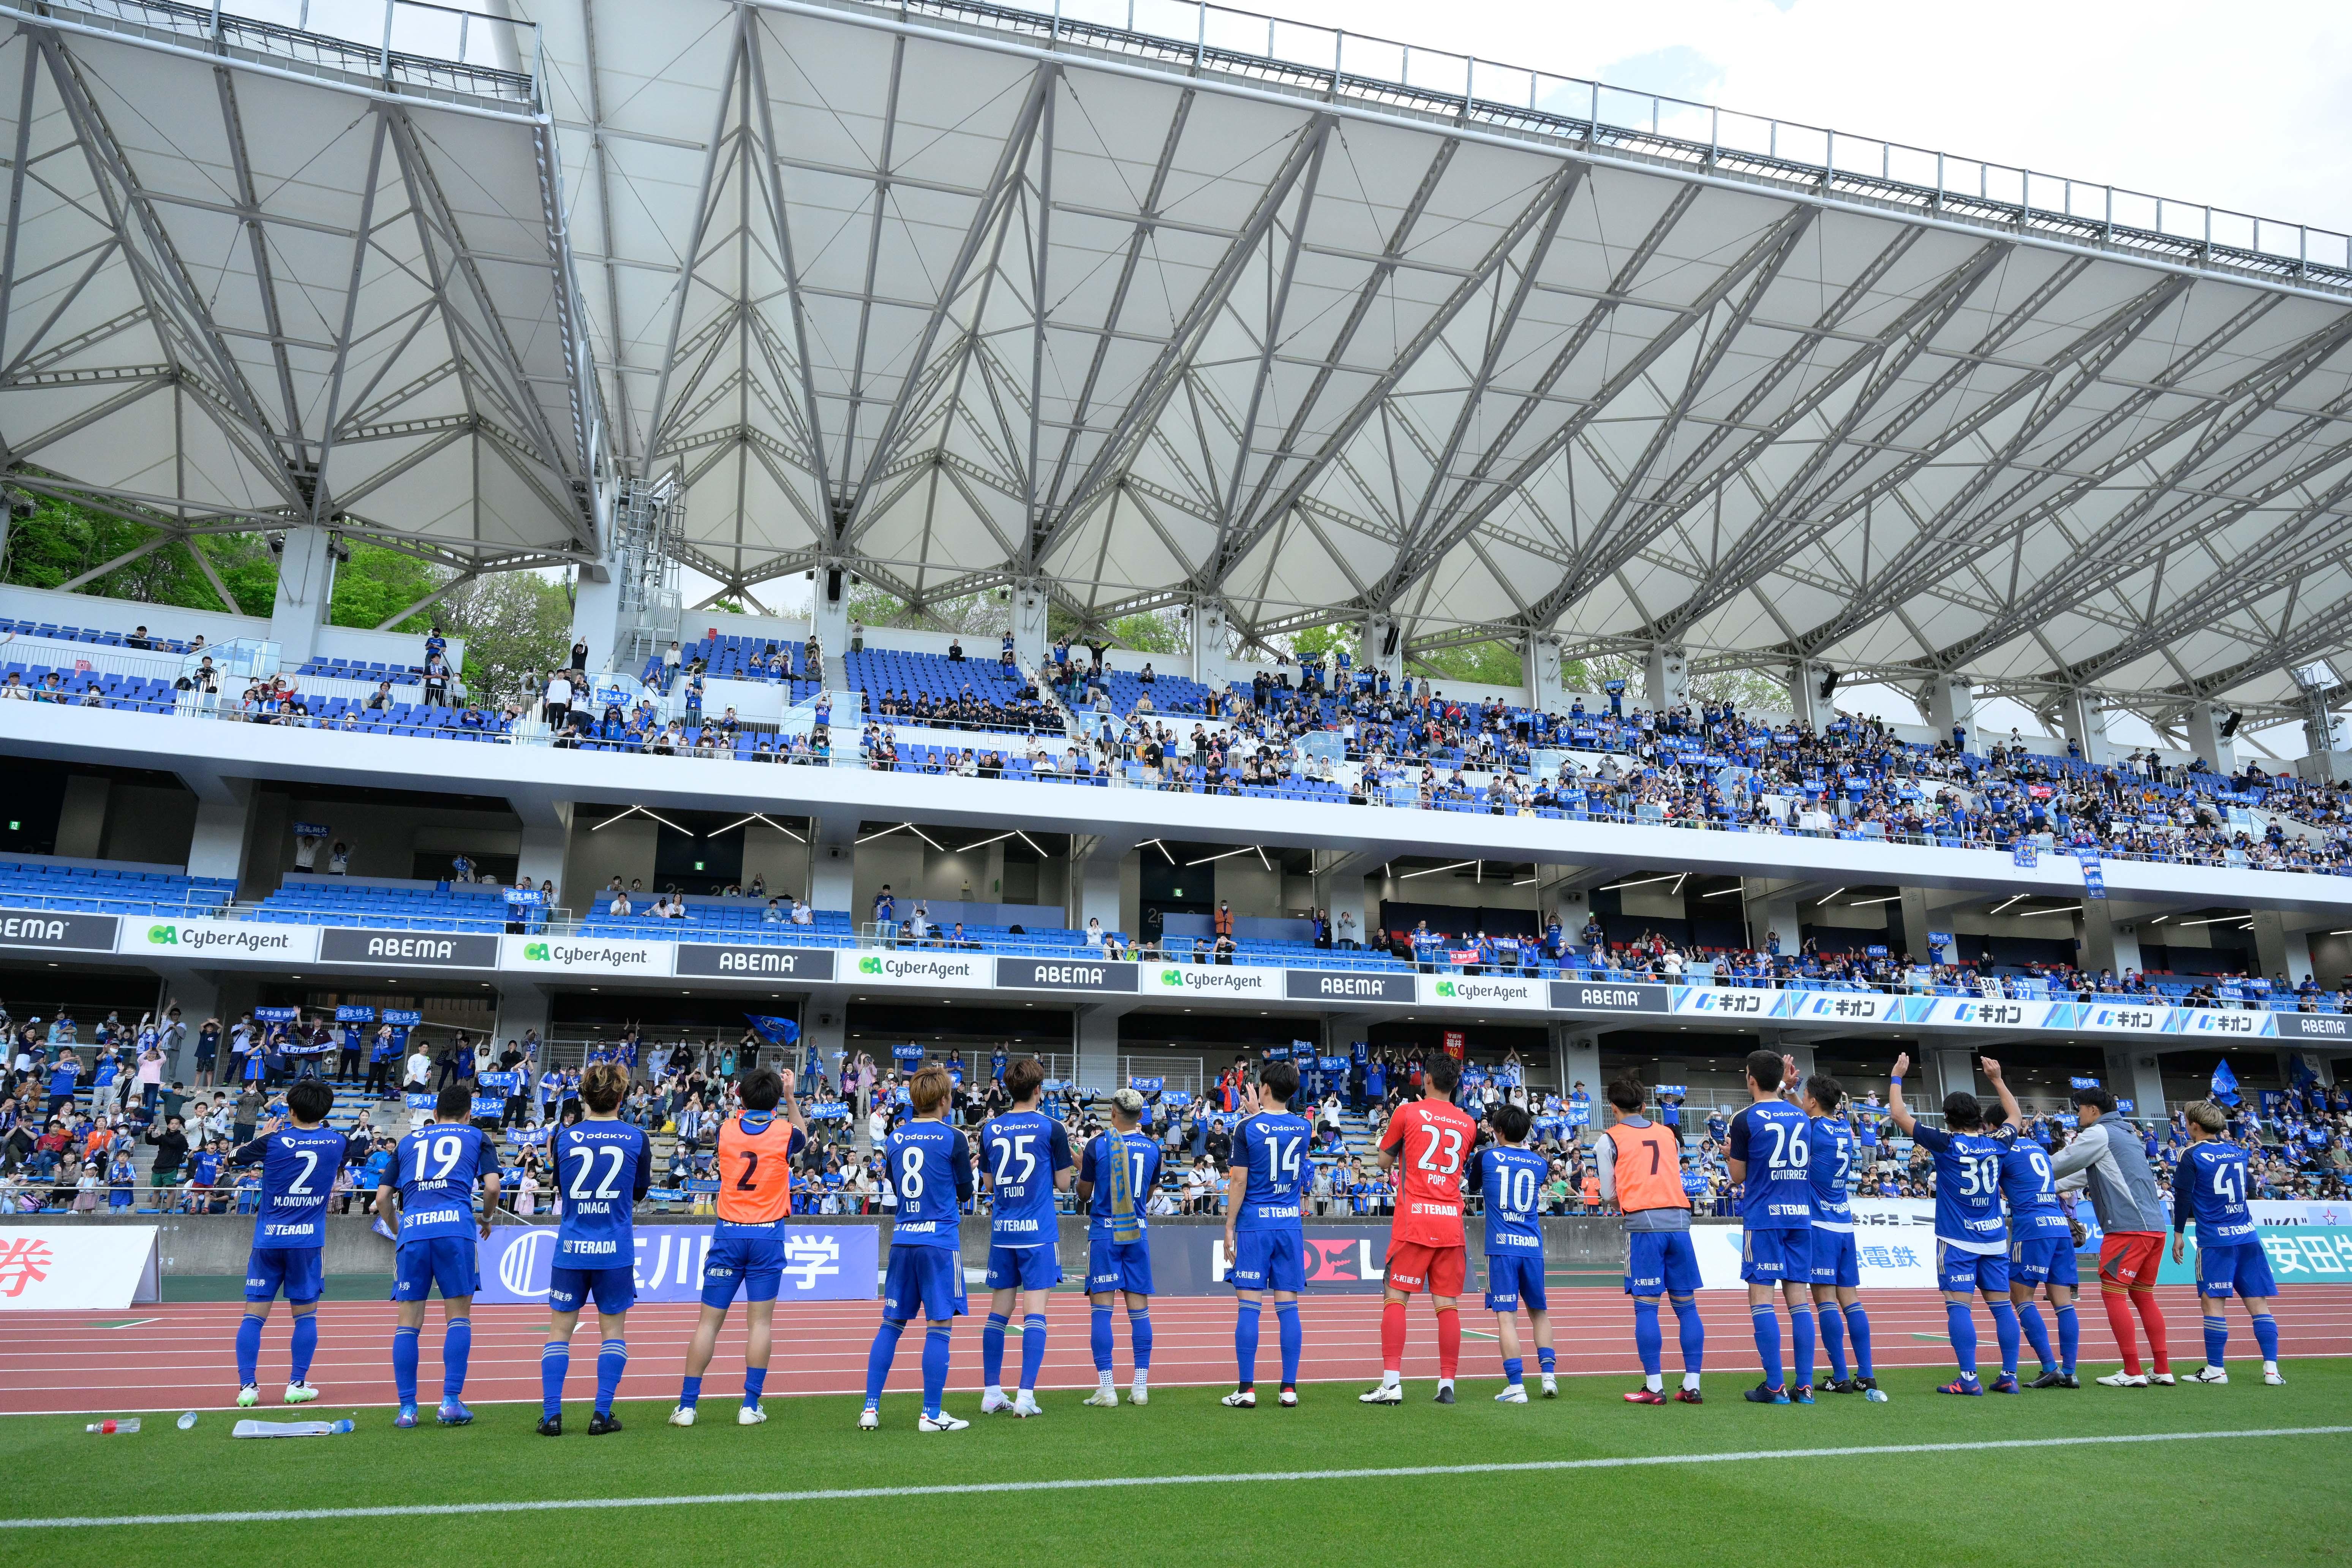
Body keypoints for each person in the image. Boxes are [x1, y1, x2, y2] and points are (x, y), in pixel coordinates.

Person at [673, 1066, 806, 1427]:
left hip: (729, 1233)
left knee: (708, 1324)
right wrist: (790, 1098)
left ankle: (687, 1407)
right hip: (767, 1234)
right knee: (760, 1324)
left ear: (741, 1099)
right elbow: (804, 1136)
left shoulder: (725, 1130)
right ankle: (749, 1406)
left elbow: (741, 1122)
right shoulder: (783, 1133)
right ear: (776, 1100)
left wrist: (751, 1102)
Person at [1888, 1053, 2021, 1395]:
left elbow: (1899, 1115)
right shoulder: (1997, 1143)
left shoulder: (1946, 1144)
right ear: (1979, 1117)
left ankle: (1969, 1379)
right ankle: (2009, 1375)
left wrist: (1897, 1077)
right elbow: (2016, 1116)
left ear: (1947, 1119)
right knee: (2002, 1307)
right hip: (1993, 1238)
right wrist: (1996, 1079)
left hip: (1958, 1240)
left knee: (1959, 1305)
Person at [375, 1083, 499, 1428]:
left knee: (408, 1324)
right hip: (455, 1231)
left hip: (414, 1233)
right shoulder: (476, 1137)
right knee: (458, 1318)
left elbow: (383, 1198)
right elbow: (492, 1187)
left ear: (434, 1114)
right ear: (469, 1114)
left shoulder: (409, 1142)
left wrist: (401, 1230)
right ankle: (450, 1402)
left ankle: (407, 1410)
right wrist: (487, 1219)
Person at [225, 1079, 354, 1408]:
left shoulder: (273, 1141)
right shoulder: (338, 1142)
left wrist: (262, 1136)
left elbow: (230, 1159)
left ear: (291, 1110)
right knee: (306, 1318)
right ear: (325, 1110)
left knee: (253, 1317)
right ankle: (296, 1383)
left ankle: (247, 1387)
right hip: (308, 1242)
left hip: (268, 1240)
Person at [539, 1062, 652, 1437]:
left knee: (559, 1331)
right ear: (621, 1097)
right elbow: (639, 1192)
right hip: (614, 1250)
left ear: (584, 1096)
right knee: (613, 1333)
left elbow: (561, 1188)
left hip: (571, 1247)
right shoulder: (637, 1138)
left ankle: (552, 1416)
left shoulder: (566, 1138)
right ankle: (601, 1415)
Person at [861, 1064, 973, 1431]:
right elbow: (965, 1192)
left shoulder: (895, 1138)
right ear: (945, 1099)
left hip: (903, 1239)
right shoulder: (954, 1137)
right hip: (939, 1242)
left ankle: (871, 1409)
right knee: (939, 1327)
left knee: (891, 1324)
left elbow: (895, 1183)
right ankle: (931, 1413)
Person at [1360, 1052, 1474, 1405]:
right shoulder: (1469, 1124)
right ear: (1456, 1084)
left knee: (1396, 1298)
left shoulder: (1406, 1112)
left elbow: (1383, 1161)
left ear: (1426, 1079)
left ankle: (1392, 1383)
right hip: (1451, 1222)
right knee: (1448, 1306)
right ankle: (1447, 1385)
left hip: (1414, 1221)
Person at [2049, 1084, 2175, 1386]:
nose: (2076, 1115)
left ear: (2093, 1111)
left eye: (2079, 1109)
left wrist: (2025, 1172)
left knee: (2113, 1293)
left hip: (2127, 1226)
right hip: (2155, 1226)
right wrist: (2048, 1185)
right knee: (2144, 1295)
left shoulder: (2098, 1133)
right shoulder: (2127, 1134)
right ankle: (2162, 1368)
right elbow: (2088, 1173)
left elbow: (2063, 1162)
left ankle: (2133, 1371)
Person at [1597, 1076, 1704, 1404]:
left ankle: (1655, 1387)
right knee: (1687, 1308)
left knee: (1646, 1308)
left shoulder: (1608, 1140)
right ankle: (1692, 1385)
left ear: (1612, 1108)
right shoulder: (1669, 1135)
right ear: (1645, 1106)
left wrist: (1623, 1202)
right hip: (1681, 1223)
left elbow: (1607, 1194)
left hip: (1644, 1226)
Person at [978, 1057, 1074, 1418]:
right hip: (1038, 1233)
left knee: (997, 1316)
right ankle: (1026, 1395)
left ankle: (991, 1393)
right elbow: (1065, 1184)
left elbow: (988, 1184)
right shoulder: (1053, 1128)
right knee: (1035, 1315)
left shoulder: (990, 1128)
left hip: (1003, 1232)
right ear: (1039, 1090)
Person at [2173, 1100, 2284, 1385]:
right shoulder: (2238, 1152)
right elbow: (2246, 1188)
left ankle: (2216, 1370)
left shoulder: (2190, 1154)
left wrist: (2178, 1235)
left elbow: (2183, 1197)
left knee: (2213, 1305)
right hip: (2247, 1236)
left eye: (2186, 1122)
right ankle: (2272, 1370)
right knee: (2259, 1305)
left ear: (2194, 1126)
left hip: (2215, 1240)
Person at [1725, 1048, 1814, 1404]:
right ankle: (1805, 1387)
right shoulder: (1801, 1117)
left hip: (1764, 1217)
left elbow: (1738, 1175)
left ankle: (1775, 1385)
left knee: (1762, 1298)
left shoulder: (1744, 1119)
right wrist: (1790, 1087)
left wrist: (1728, 1154)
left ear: (1750, 1078)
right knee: (1799, 1302)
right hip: (1800, 1216)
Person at [1220, 1059, 1309, 1408]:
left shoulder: (1246, 1127)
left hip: (1255, 1224)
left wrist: (1228, 1226)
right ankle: (1289, 1388)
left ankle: (1247, 1389)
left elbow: (1239, 1179)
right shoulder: (1303, 1127)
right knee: (1288, 1307)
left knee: (1249, 1305)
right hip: (1289, 1224)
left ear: (1265, 1089)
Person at [1797, 1066, 1884, 1400]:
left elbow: (1796, 1121)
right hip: (1845, 1223)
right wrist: (1795, 1095)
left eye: (1805, 1097)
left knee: (1825, 1301)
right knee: (1852, 1300)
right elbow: (1809, 1114)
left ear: (1814, 1101)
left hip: (1820, 1225)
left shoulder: (1811, 1130)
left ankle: (1841, 1376)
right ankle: (1867, 1375)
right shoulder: (1844, 1128)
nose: (1801, 1101)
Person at [1075, 1087, 1161, 1407]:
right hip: (1137, 1232)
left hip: (1105, 1233)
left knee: (1102, 1313)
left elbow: (1084, 1194)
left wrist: (1083, 1168)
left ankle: (1108, 1388)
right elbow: (1148, 1195)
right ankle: (1140, 1386)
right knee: (1139, 1313)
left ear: (1113, 1113)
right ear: (1141, 1117)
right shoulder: (1153, 1148)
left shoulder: (1099, 1145)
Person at [1466, 1100, 1555, 1403]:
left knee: (1507, 1319)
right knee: (1539, 1313)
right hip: (1532, 1246)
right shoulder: (1540, 1163)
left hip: (1501, 1247)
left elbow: (1474, 1186)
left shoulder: (1486, 1157)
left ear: (1498, 1130)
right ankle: (1548, 1378)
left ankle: (1517, 1386)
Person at [1996, 1080, 2081, 1390]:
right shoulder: (2039, 1148)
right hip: (2059, 1224)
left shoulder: (2002, 1148)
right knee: (2064, 1304)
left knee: (2021, 1298)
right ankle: (2070, 1371)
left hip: (2032, 1227)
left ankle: (2049, 1366)